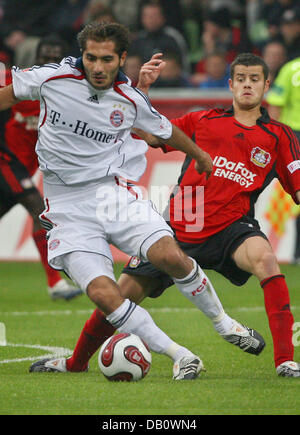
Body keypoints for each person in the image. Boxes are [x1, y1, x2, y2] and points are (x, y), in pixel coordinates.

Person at [6, 22, 265, 380]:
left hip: (113, 194)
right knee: (103, 293)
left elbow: (165, 129)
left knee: (169, 255)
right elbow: (9, 92)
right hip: (67, 208)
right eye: (91, 58)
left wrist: (201, 156)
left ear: (122, 58)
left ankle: (224, 324)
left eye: (106, 59)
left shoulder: (130, 98)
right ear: (83, 55)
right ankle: (181, 355)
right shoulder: (54, 78)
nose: (97, 67)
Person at [0, 35, 83, 301]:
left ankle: (55, 283)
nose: (48, 62)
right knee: (39, 211)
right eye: (44, 57)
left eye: (54, 58)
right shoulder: (20, 83)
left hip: (24, 168)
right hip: (6, 162)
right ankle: (55, 283)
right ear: (36, 59)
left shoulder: (68, 92)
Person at [266, 56, 300, 264]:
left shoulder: (291, 69)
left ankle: (297, 253)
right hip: (293, 138)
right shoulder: (291, 69)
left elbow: (275, 104)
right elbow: (276, 105)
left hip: (292, 138)